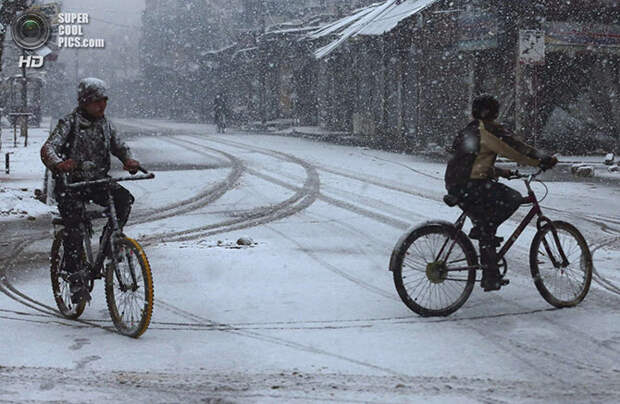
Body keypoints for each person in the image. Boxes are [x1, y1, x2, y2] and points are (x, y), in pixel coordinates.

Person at [41, 78, 141, 304]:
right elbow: (48, 148)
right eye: (97, 101)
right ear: (85, 102)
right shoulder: (69, 123)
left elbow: (119, 145)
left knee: (124, 199)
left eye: (104, 100)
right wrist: (59, 164)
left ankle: (111, 244)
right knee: (74, 225)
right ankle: (76, 277)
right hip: (71, 185)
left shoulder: (105, 124)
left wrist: (128, 159)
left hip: (97, 182)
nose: (102, 106)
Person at [444, 94, 558, 291]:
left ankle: (490, 274)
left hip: (457, 184)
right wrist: (542, 160)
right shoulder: (488, 129)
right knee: (512, 198)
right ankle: (485, 236)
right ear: (494, 112)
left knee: (486, 225)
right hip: (471, 185)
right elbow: (516, 149)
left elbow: (470, 161)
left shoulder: (469, 130)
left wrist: (501, 172)